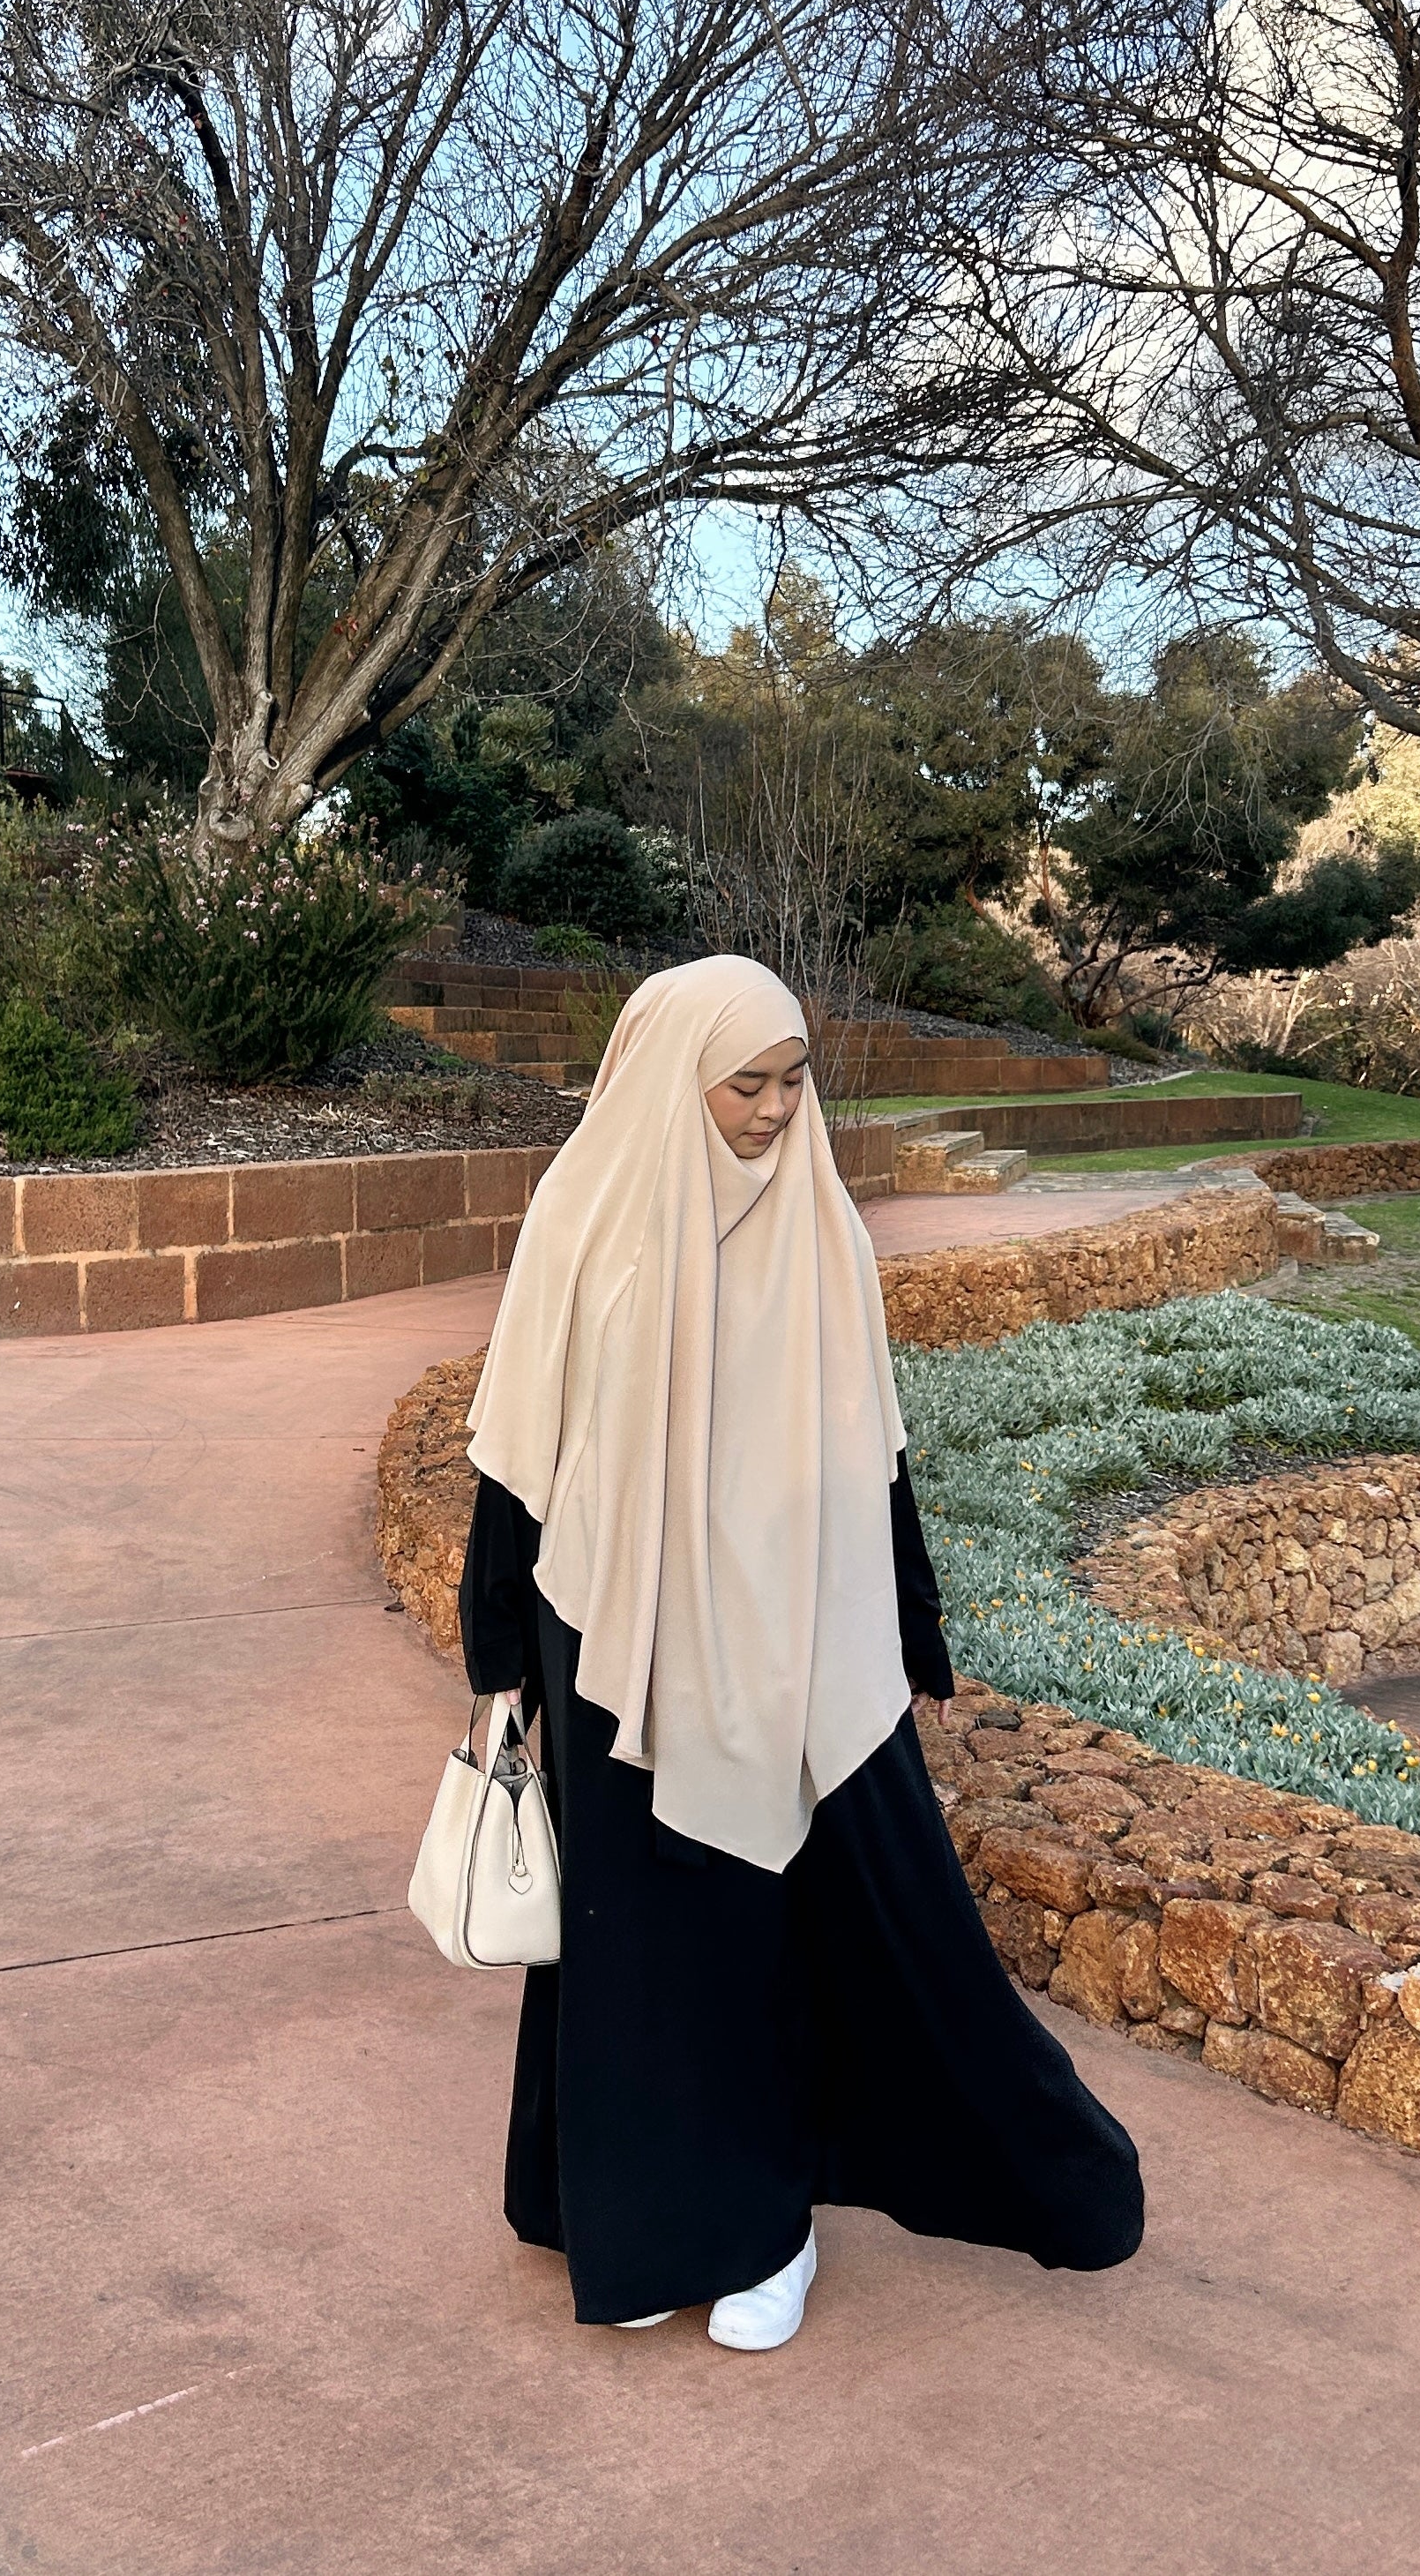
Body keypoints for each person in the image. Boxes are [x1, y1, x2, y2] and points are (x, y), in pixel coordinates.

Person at [456, 954, 1143, 2349]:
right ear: (671, 1074)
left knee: (765, 1930)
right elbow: (515, 1449)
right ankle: (637, 2217)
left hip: (791, 1635)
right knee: (633, 1947)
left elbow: (872, 1446)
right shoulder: (584, 1210)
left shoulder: (818, 1226)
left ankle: (768, 2232)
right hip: (617, 1639)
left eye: (793, 1079)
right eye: (747, 1082)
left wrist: (913, 1634)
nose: (775, 1110)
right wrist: (494, 1650)